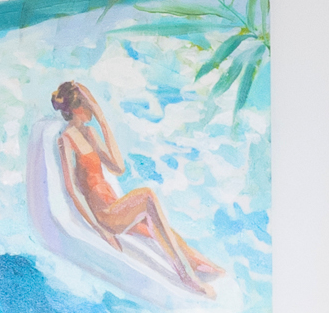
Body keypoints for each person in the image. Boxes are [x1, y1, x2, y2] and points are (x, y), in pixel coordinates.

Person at [50, 80, 222, 293]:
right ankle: (186, 276)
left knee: (164, 231)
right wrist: (100, 229)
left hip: (115, 205)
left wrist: (103, 121)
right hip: (105, 214)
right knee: (148, 196)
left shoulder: (90, 134)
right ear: (77, 109)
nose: (94, 111)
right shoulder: (66, 140)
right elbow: (72, 188)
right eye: (90, 106)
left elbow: (118, 167)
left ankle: (204, 267)